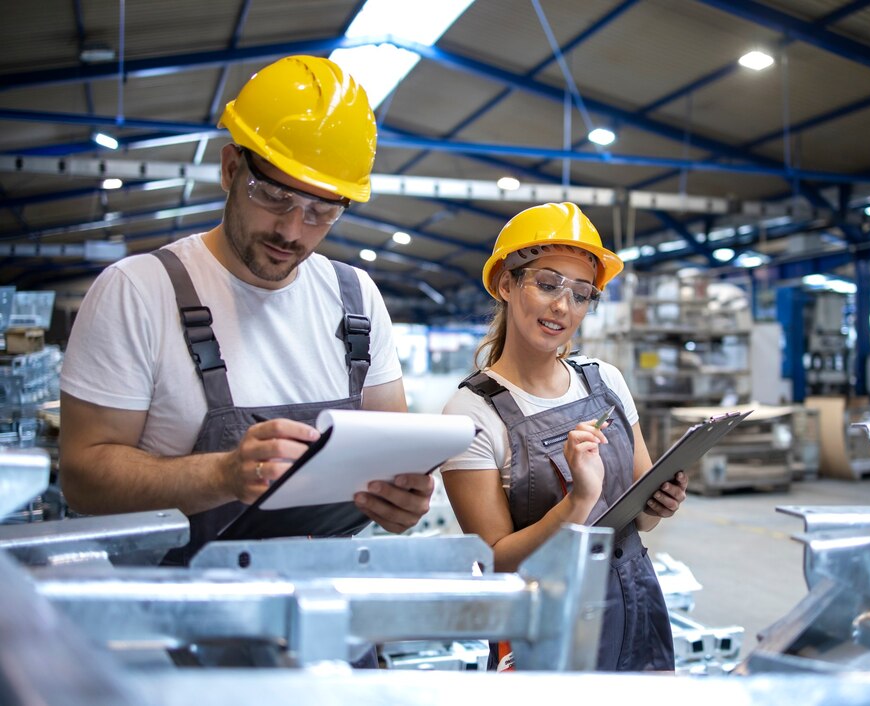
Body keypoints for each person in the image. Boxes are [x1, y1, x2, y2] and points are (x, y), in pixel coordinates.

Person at [59, 55, 434, 566]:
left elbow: (392, 455)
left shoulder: (357, 299)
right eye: (274, 196)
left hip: (324, 618)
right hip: (176, 622)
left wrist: (400, 501)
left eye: (321, 212)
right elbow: (82, 479)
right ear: (232, 168)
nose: (292, 231)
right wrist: (221, 476)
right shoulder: (139, 291)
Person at [440, 202, 686, 671]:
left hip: (633, 601)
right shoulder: (472, 412)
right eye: (548, 284)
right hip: (543, 626)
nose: (562, 306)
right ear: (507, 284)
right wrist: (577, 504)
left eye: (580, 294)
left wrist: (662, 502)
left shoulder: (606, 381)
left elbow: (642, 520)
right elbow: (497, 561)